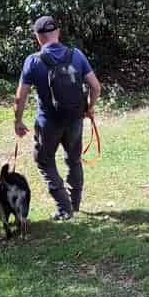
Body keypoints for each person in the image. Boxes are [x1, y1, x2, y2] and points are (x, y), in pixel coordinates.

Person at [14, 15, 100, 221]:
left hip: (48, 123)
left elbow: (20, 96)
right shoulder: (76, 55)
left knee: (44, 160)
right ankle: (75, 203)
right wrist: (88, 108)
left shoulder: (33, 61)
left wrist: (17, 121)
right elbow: (96, 87)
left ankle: (64, 207)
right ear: (58, 33)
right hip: (74, 119)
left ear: (37, 37)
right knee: (73, 159)